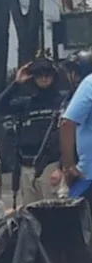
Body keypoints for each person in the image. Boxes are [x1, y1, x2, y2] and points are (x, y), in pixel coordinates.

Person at [0, 57, 64, 204]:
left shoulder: (62, 102)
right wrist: (17, 83)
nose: (44, 79)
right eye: (39, 75)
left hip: (51, 165)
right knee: (31, 215)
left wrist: (62, 167)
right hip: (26, 166)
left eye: (47, 75)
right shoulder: (26, 103)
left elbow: (70, 137)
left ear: (54, 77)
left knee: (54, 213)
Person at [59, 48, 92, 204]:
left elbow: (67, 124)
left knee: (79, 223)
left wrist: (68, 166)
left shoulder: (89, 83)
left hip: (88, 176)